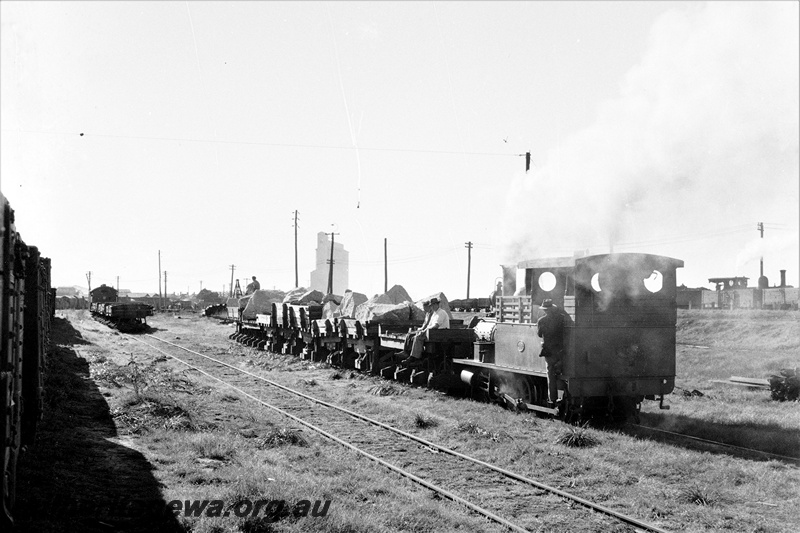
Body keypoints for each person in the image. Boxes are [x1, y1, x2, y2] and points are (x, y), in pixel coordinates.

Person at [536, 299, 569, 407]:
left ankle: (553, 398)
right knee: (562, 371)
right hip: (560, 351)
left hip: (549, 352)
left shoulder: (541, 321)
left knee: (550, 373)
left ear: (545, 310)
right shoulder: (561, 319)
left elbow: (539, 334)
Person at [400, 297, 450, 366]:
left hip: (439, 333)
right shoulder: (435, 313)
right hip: (434, 332)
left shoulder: (441, 313)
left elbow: (436, 326)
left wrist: (425, 330)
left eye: (432, 305)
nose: (431, 307)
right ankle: (411, 355)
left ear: (436, 304)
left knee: (418, 337)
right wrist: (424, 330)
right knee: (415, 336)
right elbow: (430, 325)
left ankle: (415, 358)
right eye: (431, 306)